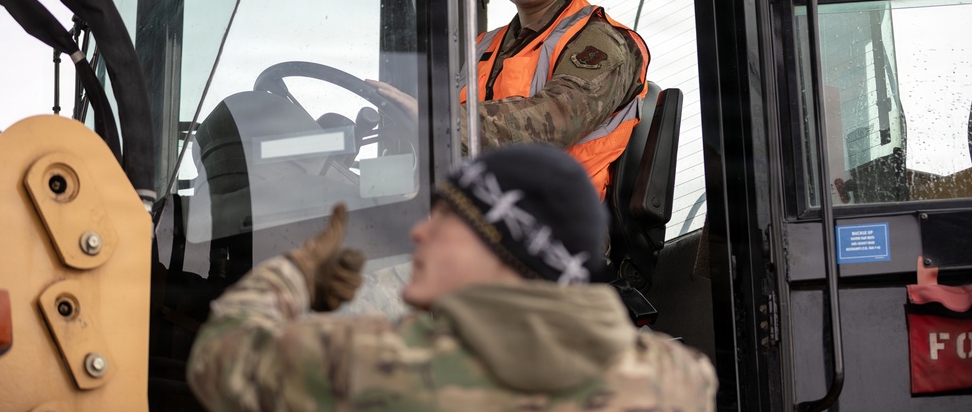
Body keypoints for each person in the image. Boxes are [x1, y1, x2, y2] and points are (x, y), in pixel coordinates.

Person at [187, 143, 717, 411]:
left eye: (446, 222)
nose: (419, 235)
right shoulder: (681, 378)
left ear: (508, 253)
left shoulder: (389, 363)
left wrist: (294, 273)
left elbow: (221, 356)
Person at [370, 0, 649, 201]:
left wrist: (444, 124)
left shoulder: (599, 41)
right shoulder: (483, 47)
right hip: (477, 214)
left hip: (556, 229)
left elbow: (555, 122)